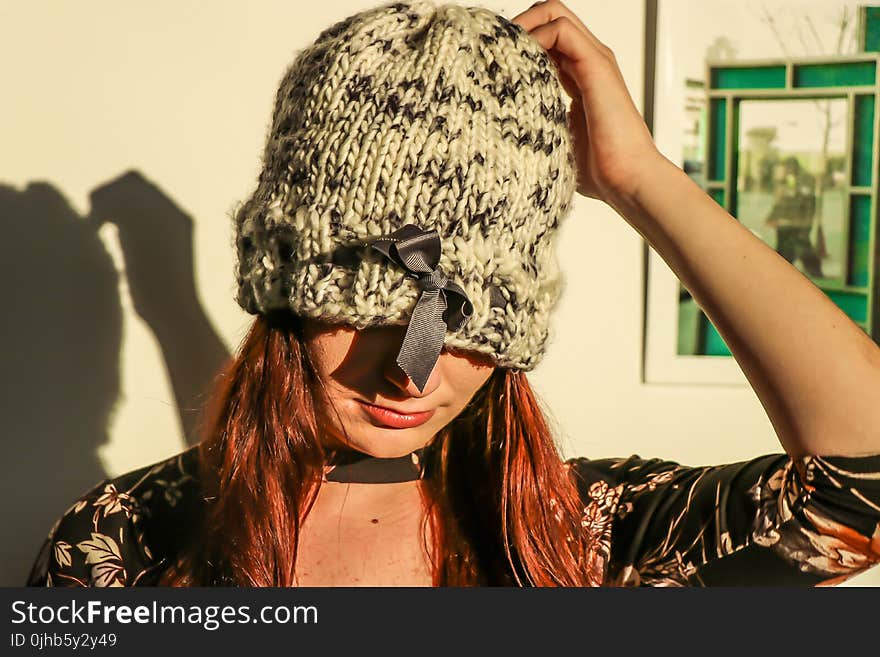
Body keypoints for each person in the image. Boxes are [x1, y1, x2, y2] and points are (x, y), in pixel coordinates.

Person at [26, 0, 880, 588]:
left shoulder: (577, 536)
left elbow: (862, 485)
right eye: (369, 310)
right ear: (287, 298)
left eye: (464, 321)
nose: (413, 374)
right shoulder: (122, 543)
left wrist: (640, 179)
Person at [764, 156, 824, 278]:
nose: (786, 170)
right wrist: (772, 216)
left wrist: (806, 224)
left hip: (797, 224)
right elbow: (781, 202)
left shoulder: (805, 180)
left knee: (802, 249)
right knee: (784, 253)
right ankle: (779, 275)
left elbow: (808, 205)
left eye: (787, 168)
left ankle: (816, 274)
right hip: (785, 225)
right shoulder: (786, 181)